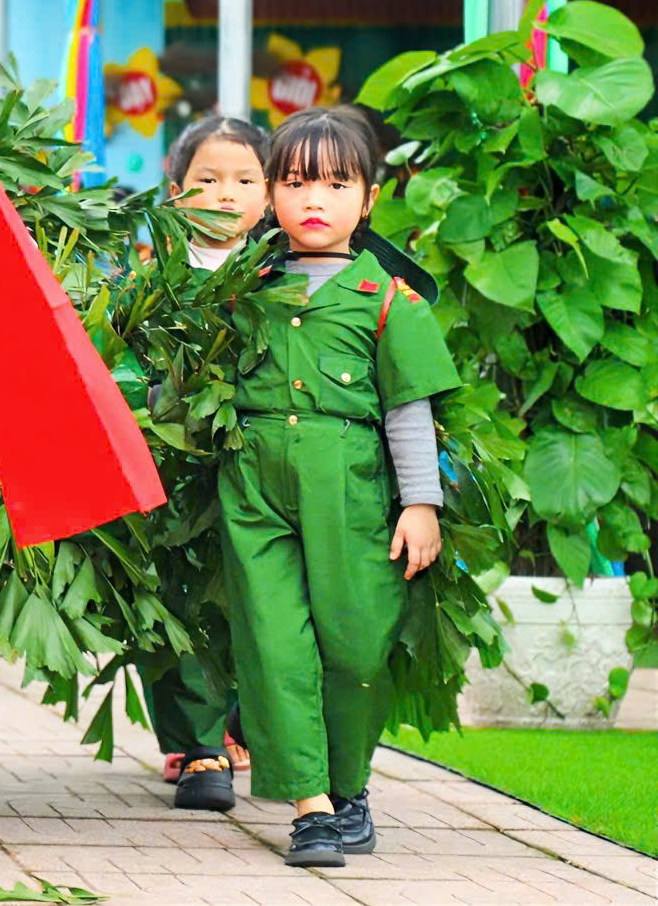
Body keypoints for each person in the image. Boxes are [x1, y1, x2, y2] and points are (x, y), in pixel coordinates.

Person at [220, 107, 459, 868]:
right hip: (253, 489)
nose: (311, 199)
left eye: (334, 182)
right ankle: (311, 808)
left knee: (355, 646)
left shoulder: (389, 299)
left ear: (368, 200)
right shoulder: (239, 290)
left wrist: (421, 504)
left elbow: (408, 410)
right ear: (269, 197)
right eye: (292, 182)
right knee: (276, 642)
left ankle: (348, 785)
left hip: (352, 495)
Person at [144, 116, 269, 814]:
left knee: (259, 595)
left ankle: (246, 723)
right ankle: (198, 745)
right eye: (208, 181)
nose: (226, 195)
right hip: (177, 470)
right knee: (181, 601)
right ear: (175, 192)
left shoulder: (285, 273)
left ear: (271, 194)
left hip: (263, 467)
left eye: (245, 181)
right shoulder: (152, 282)